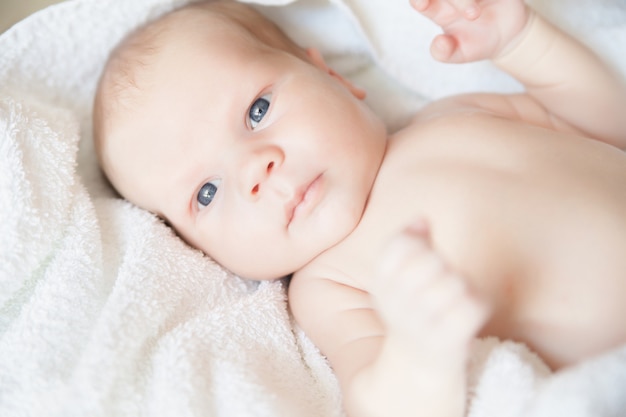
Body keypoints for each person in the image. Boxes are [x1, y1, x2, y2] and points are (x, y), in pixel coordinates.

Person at [93, 0, 626, 416]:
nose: (257, 170)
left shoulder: (455, 114)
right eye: (206, 193)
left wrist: (522, 40)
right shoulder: (329, 286)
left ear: (335, 78)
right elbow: (378, 401)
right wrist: (418, 356)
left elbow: (605, 127)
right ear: (197, 249)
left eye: (258, 110)